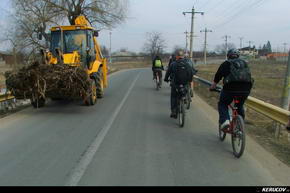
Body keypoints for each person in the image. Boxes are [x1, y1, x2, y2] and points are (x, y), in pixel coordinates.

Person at [210, 48, 254, 130]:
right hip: (245, 89)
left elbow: (218, 76)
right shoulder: (244, 63)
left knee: (223, 103)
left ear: (228, 56)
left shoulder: (226, 63)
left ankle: (225, 120)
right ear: (238, 56)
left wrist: (213, 85)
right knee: (239, 105)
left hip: (230, 89)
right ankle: (240, 125)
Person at [164, 50, 194, 118]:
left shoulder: (173, 64)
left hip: (176, 84)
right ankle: (185, 99)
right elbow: (191, 73)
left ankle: (173, 111)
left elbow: (168, 72)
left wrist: (166, 79)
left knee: (173, 96)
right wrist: (189, 81)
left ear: (177, 56)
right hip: (185, 84)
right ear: (183, 56)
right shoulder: (187, 64)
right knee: (185, 91)